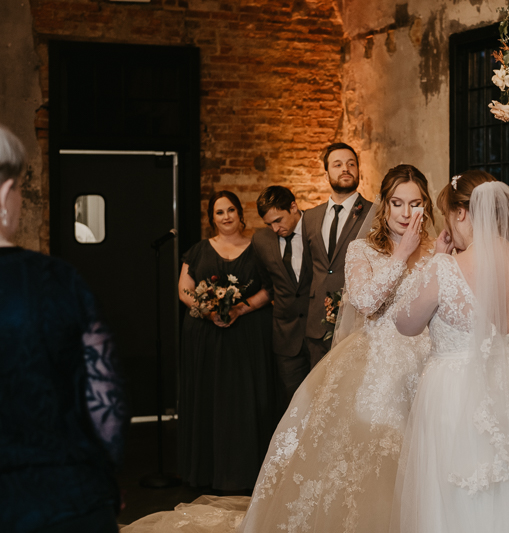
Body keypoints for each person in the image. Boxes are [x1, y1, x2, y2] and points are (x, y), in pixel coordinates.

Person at [120, 165, 445, 533]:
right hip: (376, 369)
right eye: (398, 203)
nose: (406, 213)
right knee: (378, 453)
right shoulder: (362, 249)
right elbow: (367, 302)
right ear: (384, 206)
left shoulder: (436, 251)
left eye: (415, 203)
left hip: (427, 364)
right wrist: (401, 254)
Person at [392, 171, 509, 533]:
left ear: (461, 213)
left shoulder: (445, 268)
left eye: (449, 215)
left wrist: (437, 260)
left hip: (456, 396)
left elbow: (405, 323)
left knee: (459, 500)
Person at [0, 124, 126, 532]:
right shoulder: (58, 281)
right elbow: (104, 400)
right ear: (4, 195)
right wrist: (107, 477)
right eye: (19, 188)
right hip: (64, 500)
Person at [177, 190, 282, 492]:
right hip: (206, 337)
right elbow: (184, 289)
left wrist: (239, 308)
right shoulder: (198, 250)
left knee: (245, 400)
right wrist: (207, 309)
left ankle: (245, 471)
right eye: (219, 212)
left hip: (247, 336)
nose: (226, 217)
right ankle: (208, 471)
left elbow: (269, 289)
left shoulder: (259, 247)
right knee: (210, 399)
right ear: (212, 218)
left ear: (240, 214)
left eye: (231, 210)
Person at [303, 142, 373, 366]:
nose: (346, 168)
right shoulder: (310, 217)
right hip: (316, 323)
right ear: (326, 174)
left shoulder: (375, 212)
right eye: (338, 164)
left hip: (356, 321)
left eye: (351, 164)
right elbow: (308, 268)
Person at [252, 185, 312, 401]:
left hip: (319, 334)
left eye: (278, 220)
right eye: (269, 224)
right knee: (293, 403)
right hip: (285, 337)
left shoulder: (316, 228)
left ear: (293, 207)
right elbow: (268, 284)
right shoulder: (260, 241)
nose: (275, 228)